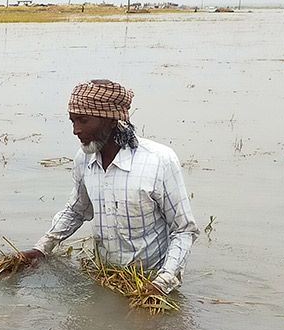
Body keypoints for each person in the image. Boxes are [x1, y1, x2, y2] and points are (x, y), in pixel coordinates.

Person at [23, 80, 199, 293]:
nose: (75, 130)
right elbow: (77, 211)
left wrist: (162, 283)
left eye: (83, 121)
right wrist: (41, 248)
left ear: (111, 121)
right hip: (105, 277)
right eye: (72, 121)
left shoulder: (159, 160)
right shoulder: (84, 159)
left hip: (150, 281)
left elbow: (183, 230)